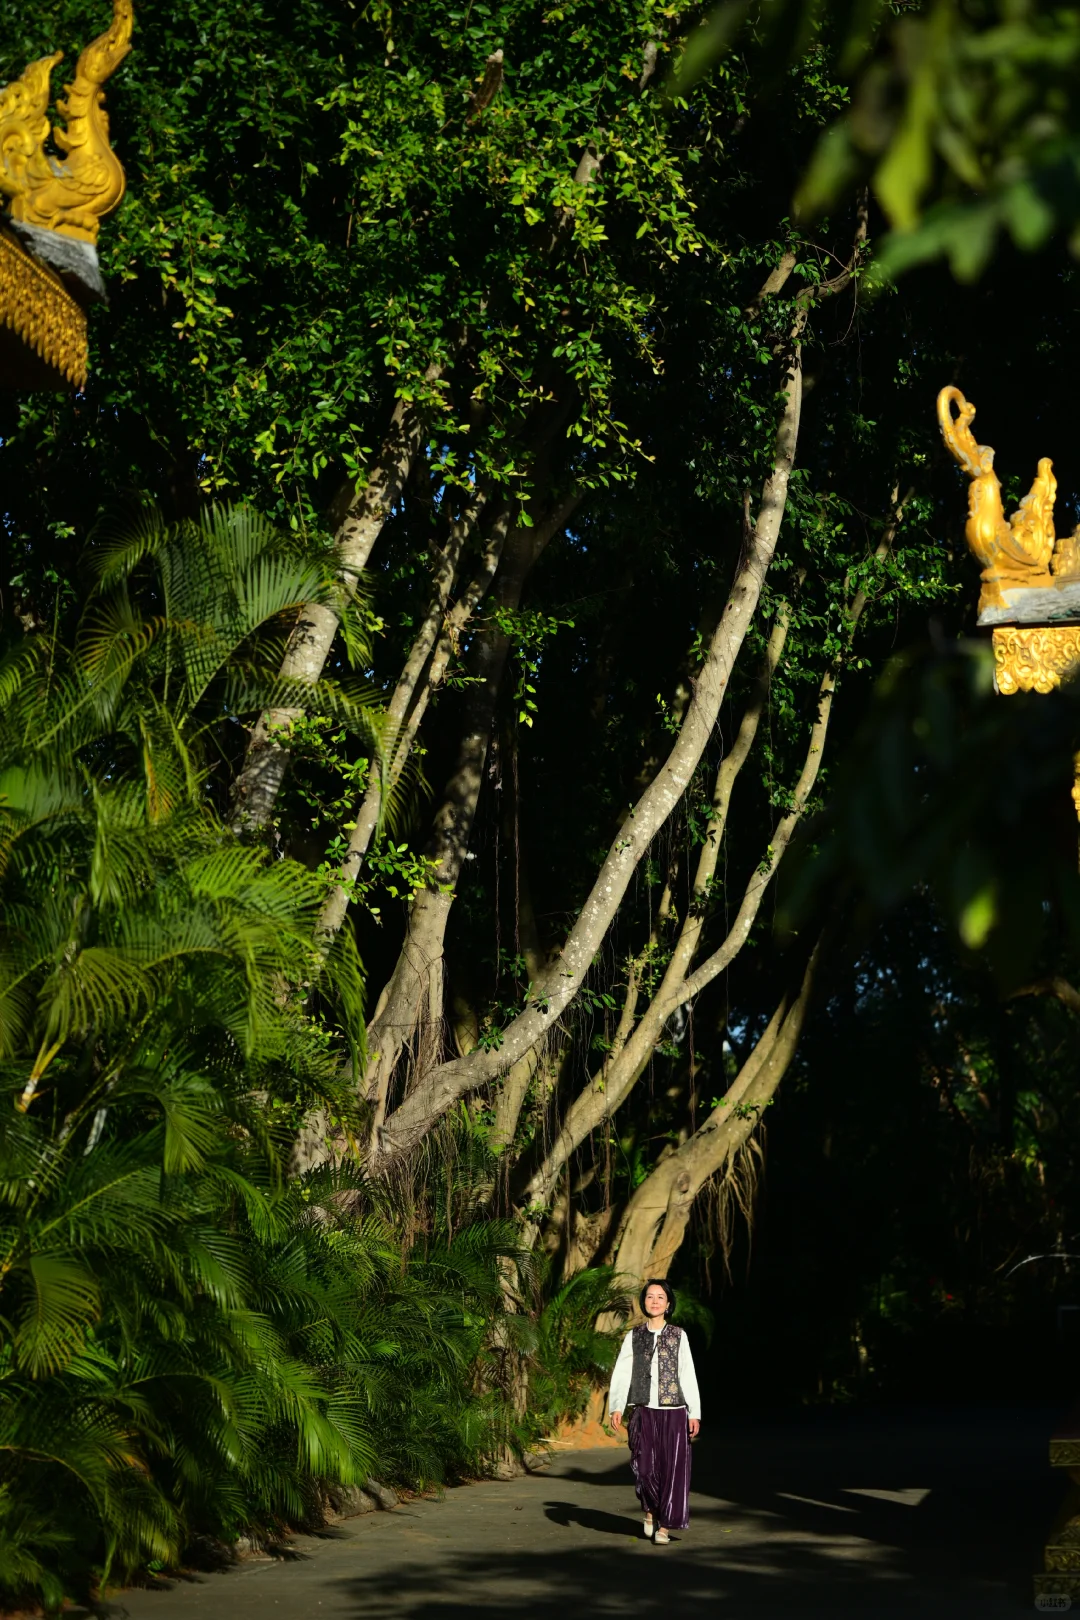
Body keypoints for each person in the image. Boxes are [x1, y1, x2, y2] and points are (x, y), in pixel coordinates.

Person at [608, 1278, 701, 1545]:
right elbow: (622, 1372)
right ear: (644, 1302)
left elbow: (687, 1374)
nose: (655, 1301)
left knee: (672, 1470)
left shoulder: (679, 1335)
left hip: (675, 1412)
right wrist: (617, 1406)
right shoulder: (634, 1336)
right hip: (644, 1410)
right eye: (650, 1296)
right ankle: (650, 1511)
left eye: (660, 1297)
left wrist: (694, 1412)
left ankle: (665, 1527)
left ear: (668, 1303)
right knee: (645, 1468)